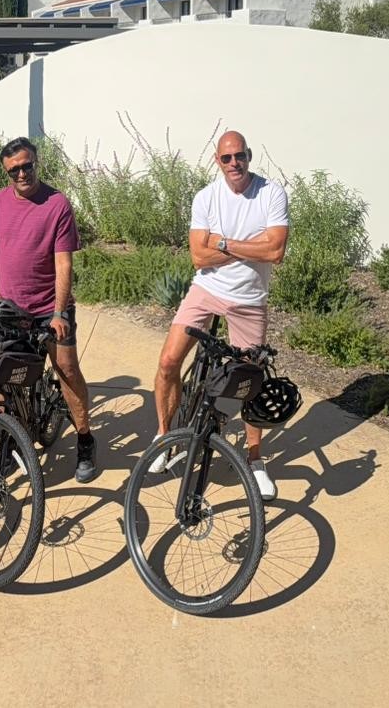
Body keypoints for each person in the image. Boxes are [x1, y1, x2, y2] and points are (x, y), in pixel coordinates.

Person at [155, 130, 289, 500]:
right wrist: (252, 246)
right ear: (218, 160)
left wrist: (224, 243)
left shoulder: (270, 193)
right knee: (168, 362)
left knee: (250, 381)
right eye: (227, 158)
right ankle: (164, 436)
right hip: (207, 290)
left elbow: (275, 251)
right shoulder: (207, 197)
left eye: (240, 156)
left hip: (249, 298)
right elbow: (199, 257)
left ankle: (255, 459)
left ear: (249, 155)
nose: (235, 164)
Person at [0, 137, 97, 483]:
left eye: (27, 166)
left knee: (66, 368)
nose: (22, 174)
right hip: (10, 309)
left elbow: (63, 263)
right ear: (6, 172)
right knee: (6, 376)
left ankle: (85, 439)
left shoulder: (56, 204)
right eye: (14, 170)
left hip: (49, 308)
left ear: (36, 163)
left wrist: (59, 312)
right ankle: (10, 443)